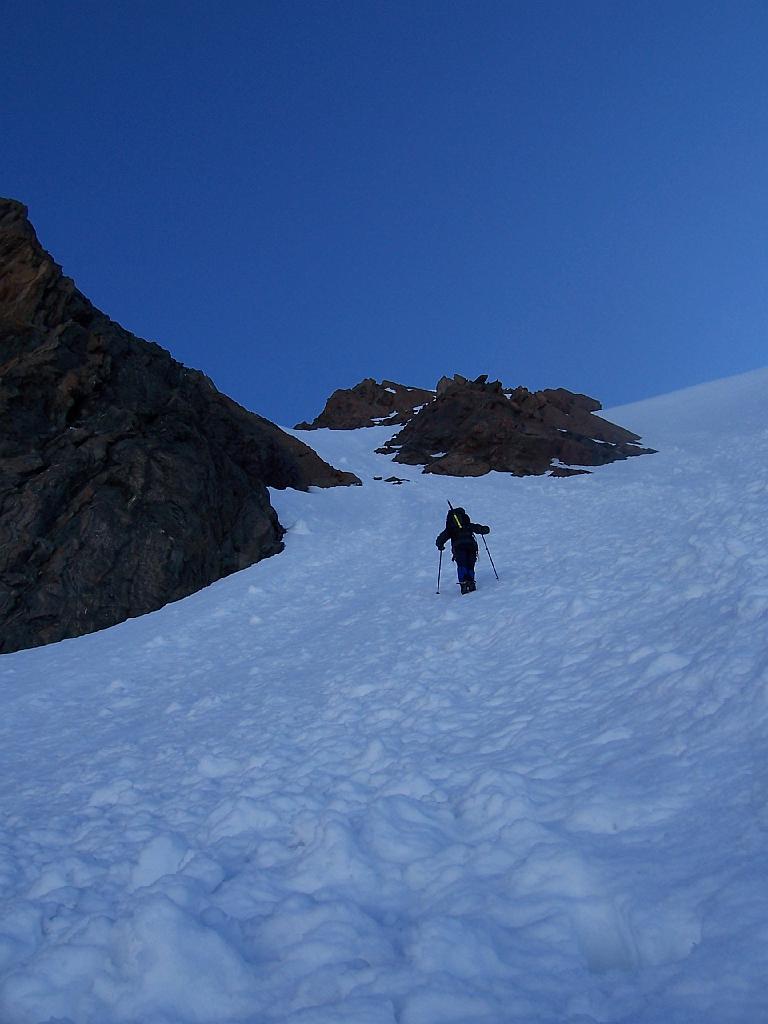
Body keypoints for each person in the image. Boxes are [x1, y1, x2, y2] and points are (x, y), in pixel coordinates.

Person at [436, 507, 490, 594]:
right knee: (470, 563)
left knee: (462, 563)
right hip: (471, 546)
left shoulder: (451, 528)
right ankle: (471, 581)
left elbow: (441, 538)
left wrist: (440, 545)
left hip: (458, 548)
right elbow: (478, 528)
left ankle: (463, 582)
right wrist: (484, 529)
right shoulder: (467, 524)